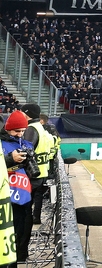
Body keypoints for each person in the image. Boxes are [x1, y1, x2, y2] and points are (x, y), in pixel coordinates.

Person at [1, 110, 34, 265]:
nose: (20, 134)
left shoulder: (25, 144)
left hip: (22, 199)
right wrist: (10, 159)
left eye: (23, 131)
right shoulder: (2, 144)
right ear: (7, 128)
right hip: (4, 199)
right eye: (17, 130)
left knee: (17, 237)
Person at [21, 105, 54, 226]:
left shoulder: (31, 128)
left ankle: (23, 238)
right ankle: (36, 218)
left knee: (24, 208)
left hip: (32, 172)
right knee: (37, 198)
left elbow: (26, 150)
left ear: (27, 114)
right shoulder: (41, 128)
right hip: (42, 170)